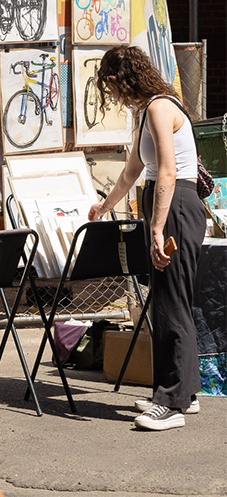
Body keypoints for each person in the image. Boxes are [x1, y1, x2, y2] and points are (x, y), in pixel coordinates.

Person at [88, 46, 205, 431]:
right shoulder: (148, 110)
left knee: (171, 303)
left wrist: (156, 228)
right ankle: (182, 393)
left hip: (174, 204)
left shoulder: (157, 107)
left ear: (115, 80)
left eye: (110, 87)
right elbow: (132, 172)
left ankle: (169, 402)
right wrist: (105, 206)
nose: (113, 96)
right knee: (171, 300)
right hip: (168, 203)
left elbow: (168, 172)